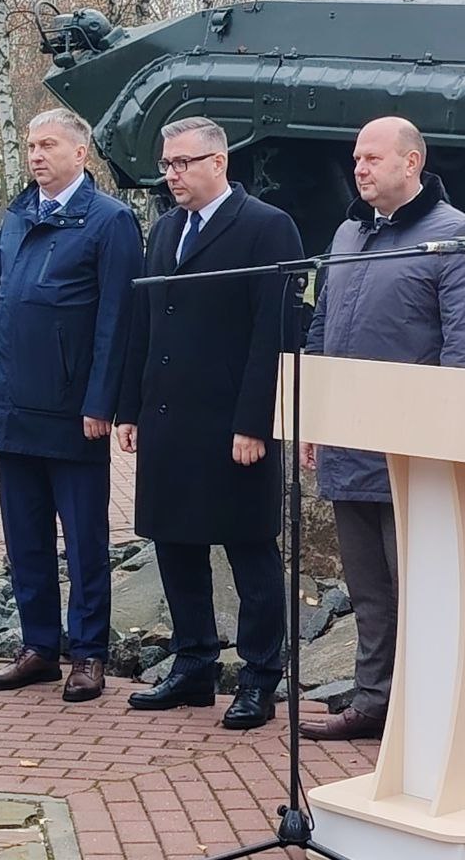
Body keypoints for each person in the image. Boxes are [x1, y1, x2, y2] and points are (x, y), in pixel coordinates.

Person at [299, 116, 465, 742]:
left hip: (414, 452)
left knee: (418, 586)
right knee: (367, 590)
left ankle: (426, 711)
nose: (359, 168)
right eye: (356, 157)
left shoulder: (456, 240)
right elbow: (322, 325)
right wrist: (312, 412)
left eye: (373, 158)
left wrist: (444, 436)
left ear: (412, 163)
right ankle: (374, 701)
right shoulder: (348, 232)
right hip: (346, 441)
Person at [117, 116, 304, 730]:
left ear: (218, 162)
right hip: (168, 417)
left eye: (182, 163)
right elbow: (145, 321)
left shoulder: (266, 227)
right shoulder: (165, 228)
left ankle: (259, 677)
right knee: (175, 544)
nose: (170, 175)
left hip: (231, 423)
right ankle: (194, 663)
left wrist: (255, 423)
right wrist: (129, 406)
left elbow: (272, 334)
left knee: (250, 550)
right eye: (166, 164)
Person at [0, 108, 142, 703]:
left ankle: (88, 654)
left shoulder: (109, 220)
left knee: (85, 540)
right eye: (30, 146)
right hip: (14, 407)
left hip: (74, 413)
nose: (36, 155)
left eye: (48, 145)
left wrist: (102, 401)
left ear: (80, 153)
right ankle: (39, 648)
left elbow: (118, 319)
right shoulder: (18, 215)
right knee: (24, 539)